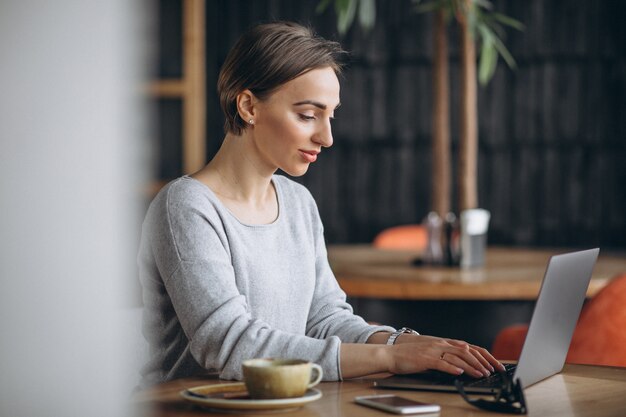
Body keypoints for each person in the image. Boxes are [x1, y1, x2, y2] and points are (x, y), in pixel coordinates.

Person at [138, 21, 504, 386]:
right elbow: (231, 346)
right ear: (249, 106)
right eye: (308, 115)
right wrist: (390, 355)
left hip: (286, 405)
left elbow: (325, 319)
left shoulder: (298, 202)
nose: (326, 137)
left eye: (330, 115)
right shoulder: (185, 207)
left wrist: (408, 343)